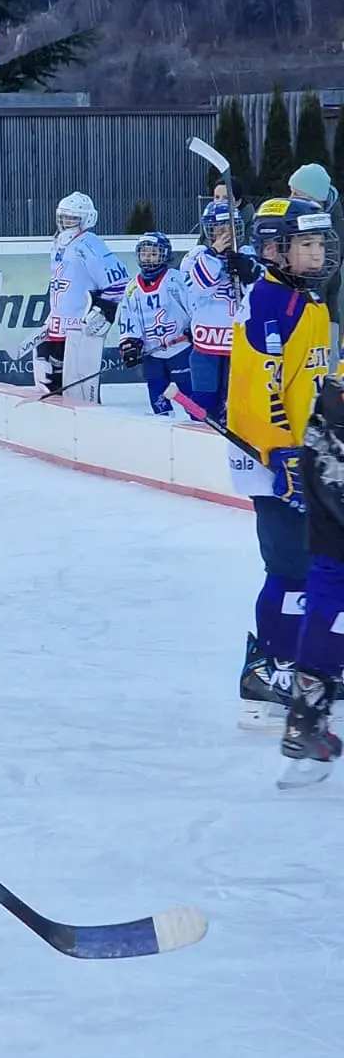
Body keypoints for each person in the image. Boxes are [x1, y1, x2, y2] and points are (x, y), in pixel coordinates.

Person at [225, 199, 338, 731]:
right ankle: (269, 668)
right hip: (271, 459)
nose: (318, 253)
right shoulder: (266, 303)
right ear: (275, 249)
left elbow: (319, 379)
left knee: (314, 567)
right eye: (307, 244)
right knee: (290, 567)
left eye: (320, 243)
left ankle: (297, 662)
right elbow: (254, 390)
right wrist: (281, 453)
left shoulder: (310, 303)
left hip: (307, 457)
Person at [276, 374, 344, 787]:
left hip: (326, 434)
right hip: (332, 443)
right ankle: (305, 721)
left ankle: (305, 720)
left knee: (328, 582)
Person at [35, 192, 127, 402]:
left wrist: (102, 310)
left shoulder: (89, 243)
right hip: (59, 323)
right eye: (64, 217)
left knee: (78, 389)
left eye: (73, 217)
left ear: (86, 219)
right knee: (51, 383)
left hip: (79, 326)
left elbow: (118, 282)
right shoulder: (58, 242)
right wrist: (53, 315)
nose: (67, 222)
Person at [181, 200, 253, 420]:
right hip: (206, 344)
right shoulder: (197, 255)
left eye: (228, 229)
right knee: (203, 403)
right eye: (218, 230)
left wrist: (246, 271)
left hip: (238, 344)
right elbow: (197, 288)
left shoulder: (248, 254)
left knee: (234, 403)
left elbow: (258, 293)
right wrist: (214, 255)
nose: (224, 235)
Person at [116, 232, 193, 416]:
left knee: (192, 400)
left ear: (164, 255)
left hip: (180, 349)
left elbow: (194, 305)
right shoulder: (132, 287)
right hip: (152, 353)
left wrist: (195, 328)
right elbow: (128, 317)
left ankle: (201, 431)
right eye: (144, 253)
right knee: (158, 402)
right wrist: (130, 343)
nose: (148, 257)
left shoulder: (176, 279)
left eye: (153, 253)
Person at [288, 161, 344, 360]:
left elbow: (317, 276)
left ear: (316, 200)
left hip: (322, 319)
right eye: (291, 192)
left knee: (323, 381)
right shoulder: (303, 222)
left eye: (297, 194)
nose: (290, 199)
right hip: (301, 315)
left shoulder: (330, 233)